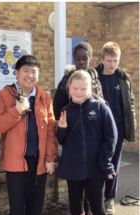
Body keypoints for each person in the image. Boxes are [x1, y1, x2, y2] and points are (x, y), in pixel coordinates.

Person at [0, 55, 57, 215]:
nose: (30, 75)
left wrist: (50, 159)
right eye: (25, 71)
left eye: (34, 72)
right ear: (16, 73)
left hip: (39, 161)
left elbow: (50, 130)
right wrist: (17, 110)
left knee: (35, 207)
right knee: (17, 208)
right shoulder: (4, 95)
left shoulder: (45, 97)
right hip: (15, 161)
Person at [57, 70, 118, 215]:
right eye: (75, 88)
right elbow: (62, 140)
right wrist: (62, 129)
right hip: (74, 169)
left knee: (98, 208)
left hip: (96, 168)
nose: (79, 92)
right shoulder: (65, 111)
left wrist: (105, 161)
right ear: (69, 87)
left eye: (83, 89)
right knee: (76, 208)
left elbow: (111, 137)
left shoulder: (100, 107)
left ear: (90, 88)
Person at [95, 42, 136, 214]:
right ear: (102, 59)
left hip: (118, 126)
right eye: (109, 60)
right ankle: (96, 195)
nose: (112, 64)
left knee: (114, 162)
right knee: (97, 160)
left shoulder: (123, 77)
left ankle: (109, 197)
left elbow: (129, 102)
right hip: (98, 126)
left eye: (116, 60)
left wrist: (131, 124)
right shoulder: (93, 76)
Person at [53, 42, 104, 120]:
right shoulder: (65, 82)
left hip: (93, 128)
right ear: (74, 59)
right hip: (73, 128)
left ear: (90, 60)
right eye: (78, 58)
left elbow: (103, 108)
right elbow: (56, 111)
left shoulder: (95, 81)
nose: (81, 62)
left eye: (85, 58)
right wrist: (74, 111)